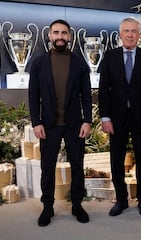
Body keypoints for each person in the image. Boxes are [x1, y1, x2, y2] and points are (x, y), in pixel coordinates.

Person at [28, 19, 92, 226]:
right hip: (48, 125)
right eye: (56, 33)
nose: (60, 37)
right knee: (47, 167)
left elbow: (86, 95)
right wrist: (36, 122)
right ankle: (48, 207)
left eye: (64, 33)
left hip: (74, 125)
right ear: (49, 36)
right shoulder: (38, 63)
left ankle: (77, 204)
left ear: (70, 36)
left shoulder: (79, 63)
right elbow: (33, 94)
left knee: (77, 166)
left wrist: (87, 121)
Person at [98, 17, 141, 217]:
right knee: (116, 161)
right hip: (116, 119)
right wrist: (105, 117)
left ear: (139, 34)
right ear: (120, 34)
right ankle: (121, 200)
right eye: (127, 31)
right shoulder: (109, 56)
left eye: (134, 31)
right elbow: (104, 90)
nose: (131, 34)